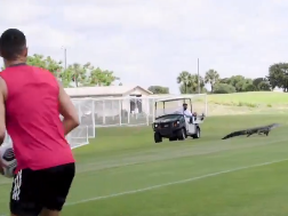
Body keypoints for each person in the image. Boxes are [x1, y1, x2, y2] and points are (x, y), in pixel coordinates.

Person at [0, 28, 80, 216]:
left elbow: (0, 133)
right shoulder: (49, 77)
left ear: (1, 53)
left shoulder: (2, 82)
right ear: (25, 52)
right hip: (65, 163)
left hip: (33, 167)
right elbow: (74, 118)